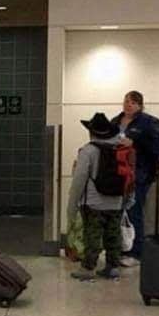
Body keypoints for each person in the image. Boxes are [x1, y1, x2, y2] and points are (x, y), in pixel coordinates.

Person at [110, 91, 159, 267]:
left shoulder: (150, 123)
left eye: (134, 102)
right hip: (117, 174)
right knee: (118, 213)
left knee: (134, 211)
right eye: (126, 101)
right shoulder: (115, 121)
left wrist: (135, 144)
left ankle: (137, 252)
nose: (129, 105)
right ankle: (121, 248)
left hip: (140, 175)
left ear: (141, 105)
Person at [66, 113, 125, 281]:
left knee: (92, 235)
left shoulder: (88, 150)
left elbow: (79, 179)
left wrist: (72, 204)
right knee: (113, 234)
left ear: (92, 132)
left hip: (93, 202)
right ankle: (112, 268)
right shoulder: (120, 149)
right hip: (116, 201)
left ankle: (88, 269)